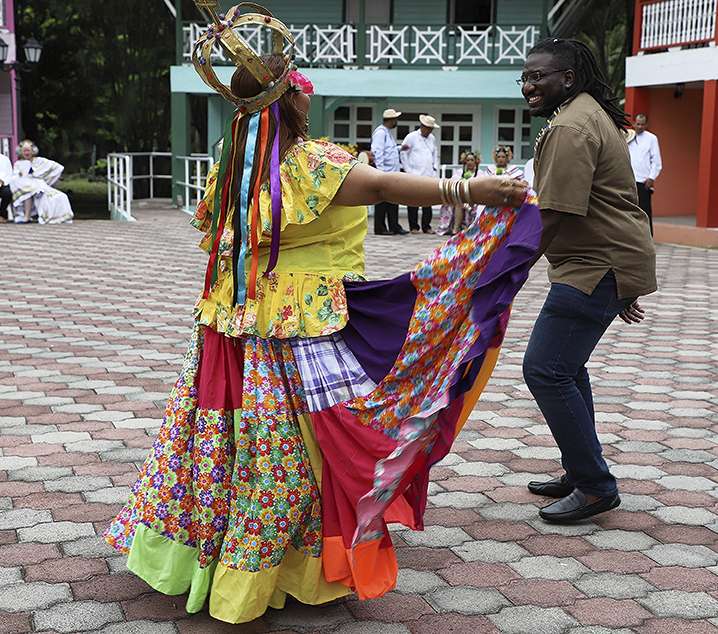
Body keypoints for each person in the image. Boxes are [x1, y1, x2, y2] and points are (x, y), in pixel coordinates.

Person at [104, 3, 536, 625]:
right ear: (292, 102)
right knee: (300, 441)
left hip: (232, 321)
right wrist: (475, 191)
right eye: (301, 87)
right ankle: (284, 571)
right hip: (299, 323)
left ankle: (212, 558)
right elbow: (384, 187)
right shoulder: (310, 162)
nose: (309, 96)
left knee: (225, 438)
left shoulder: (233, 161)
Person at [519, 38, 656, 523]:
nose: (529, 86)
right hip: (604, 261)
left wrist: (510, 271)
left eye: (539, 77)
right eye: (525, 78)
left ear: (569, 78)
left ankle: (595, 486)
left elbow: (555, 213)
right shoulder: (584, 113)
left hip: (595, 264)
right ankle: (583, 472)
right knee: (566, 368)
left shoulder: (572, 126)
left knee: (545, 369)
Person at [11, 140, 73, 224]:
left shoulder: (39, 161)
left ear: (32, 151)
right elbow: (15, 178)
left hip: (40, 185)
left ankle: (59, 217)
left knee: (61, 196)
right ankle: (26, 216)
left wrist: (46, 178)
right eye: (24, 150)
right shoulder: (18, 164)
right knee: (27, 193)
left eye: (28, 150)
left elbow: (57, 167)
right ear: (21, 152)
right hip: (27, 186)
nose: (26, 152)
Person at [400, 114, 439, 234]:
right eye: (428, 128)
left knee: (428, 201)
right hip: (414, 174)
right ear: (422, 126)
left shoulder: (432, 138)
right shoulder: (411, 137)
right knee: (413, 201)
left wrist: (435, 169)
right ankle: (414, 227)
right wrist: (408, 170)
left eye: (431, 129)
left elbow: (435, 154)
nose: (430, 131)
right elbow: (403, 153)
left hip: (428, 174)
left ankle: (426, 226)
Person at [370, 108, 407, 235]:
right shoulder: (380, 133)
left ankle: (394, 226)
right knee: (382, 202)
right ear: (391, 120)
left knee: (393, 200)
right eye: (395, 119)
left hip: (391, 172)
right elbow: (377, 152)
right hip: (385, 172)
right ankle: (380, 228)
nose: (396, 121)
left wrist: (400, 148)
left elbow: (389, 150)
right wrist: (380, 173)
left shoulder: (387, 132)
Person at [627, 113, 662, 234]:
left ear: (646, 125)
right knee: (629, 210)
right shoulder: (628, 136)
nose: (640, 126)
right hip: (629, 180)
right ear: (633, 124)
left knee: (645, 211)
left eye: (642, 124)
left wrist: (651, 178)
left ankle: (647, 237)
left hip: (643, 181)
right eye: (638, 124)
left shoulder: (652, 138)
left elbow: (656, 161)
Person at [436, 150, 480, 236]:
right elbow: (453, 184)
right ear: (464, 162)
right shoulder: (458, 173)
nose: (470, 162)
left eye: (472, 160)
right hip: (460, 197)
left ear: (475, 162)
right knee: (458, 203)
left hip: (473, 199)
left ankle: (468, 227)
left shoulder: (480, 174)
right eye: (468, 160)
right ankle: (455, 228)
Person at [0, 153, 13, 222]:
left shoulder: (5, 159)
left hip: (2, 184)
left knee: (7, 193)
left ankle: (2, 215)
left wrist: (2, 181)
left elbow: (9, 174)